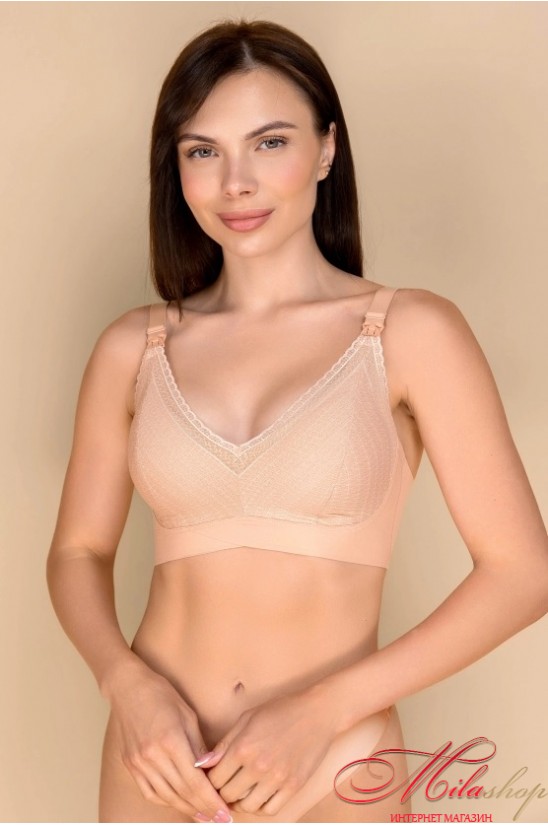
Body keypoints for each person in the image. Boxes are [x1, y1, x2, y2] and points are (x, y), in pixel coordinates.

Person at [46, 19, 548, 825]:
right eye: (202, 151)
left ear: (326, 149)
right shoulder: (132, 348)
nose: (235, 182)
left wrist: (323, 710)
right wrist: (127, 685)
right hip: (159, 764)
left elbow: (524, 572)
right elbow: (78, 550)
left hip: (335, 759)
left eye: (269, 142)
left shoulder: (410, 332)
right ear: (176, 169)